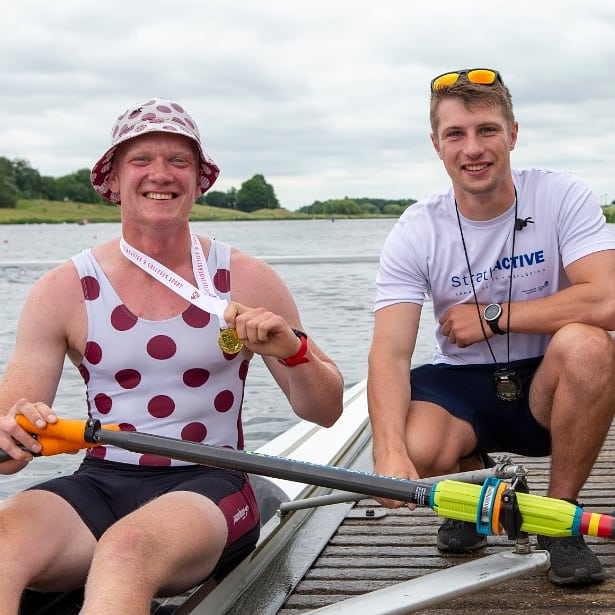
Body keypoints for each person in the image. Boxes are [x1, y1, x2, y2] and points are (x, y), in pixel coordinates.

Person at [0, 97, 344, 614]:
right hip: (102, 478)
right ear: (112, 179)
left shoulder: (248, 278)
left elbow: (326, 410)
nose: (160, 174)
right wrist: (12, 431)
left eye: (178, 161)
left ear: (200, 179)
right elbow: (9, 450)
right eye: (141, 160)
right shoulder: (63, 290)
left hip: (214, 482)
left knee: (126, 548)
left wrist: (292, 351)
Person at [367, 68, 615, 586]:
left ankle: (558, 518)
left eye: (487, 130)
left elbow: (608, 299)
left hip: (548, 380)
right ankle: (484, 491)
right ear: (437, 145)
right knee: (412, 446)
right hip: (464, 385)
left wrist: (494, 319)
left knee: (590, 345)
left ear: (513, 134)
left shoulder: (561, 195)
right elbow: (389, 354)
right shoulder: (416, 229)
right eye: (455, 134)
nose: (472, 148)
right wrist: (388, 451)